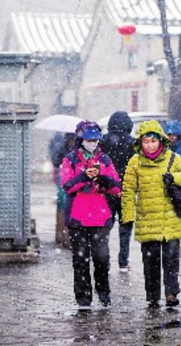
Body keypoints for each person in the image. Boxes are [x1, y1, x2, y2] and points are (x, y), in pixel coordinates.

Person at [121, 120, 181, 308]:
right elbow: (128, 190)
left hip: (171, 219)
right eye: (146, 142)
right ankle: (153, 296)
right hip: (147, 219)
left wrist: (174, 178)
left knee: (171, 259)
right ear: (140, 143)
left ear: (160, 141)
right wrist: (127, 217)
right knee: (150, 261)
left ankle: (171, 293)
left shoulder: (172, 158)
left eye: (154, 141)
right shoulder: (135, 162)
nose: (150, 145)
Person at [60, 120, 121, 311]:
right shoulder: (70, 159)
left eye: (95, 140)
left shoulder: (105, 160)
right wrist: (84, 176)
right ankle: (83, 299)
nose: (92, 143)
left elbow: (117, 188)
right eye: (88, 139)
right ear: (81, 139)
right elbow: (67, 185)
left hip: (101, 217)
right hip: (77, 217)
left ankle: (104, 293)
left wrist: (103, 178)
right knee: (80, 260)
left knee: (101, 258)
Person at [100, 110, 136, 271]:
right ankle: (123, 260)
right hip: (126, 189)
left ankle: (104, 257)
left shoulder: (103, 142)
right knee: (125, 226)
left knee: (105, 225)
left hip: (107, 188)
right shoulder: (133, 143)